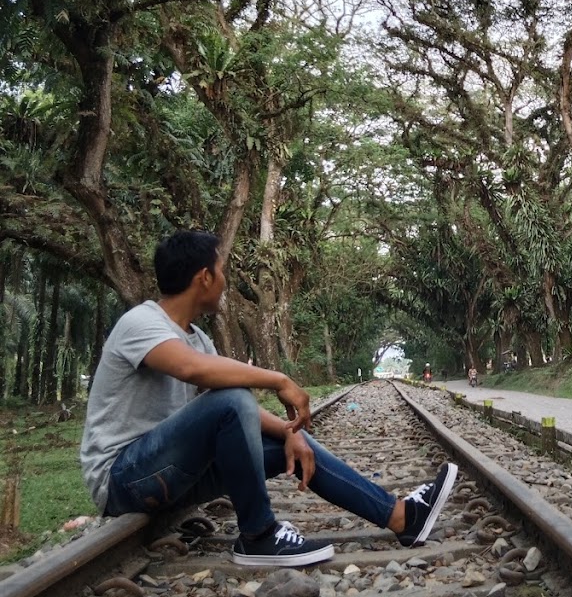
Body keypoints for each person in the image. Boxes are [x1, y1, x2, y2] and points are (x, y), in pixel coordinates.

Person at [80, 230, 458, 569]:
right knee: (233, 398)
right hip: (123, 479)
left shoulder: (197, 337)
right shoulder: (141, 323)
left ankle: (401, 517)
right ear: (205, 277)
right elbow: (195, 373)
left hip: (173, 476)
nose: (225, 281)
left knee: (293, 443)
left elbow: (232, 410)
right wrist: (278, 379)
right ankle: (258, 536)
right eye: (222, 270)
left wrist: (290, 431)